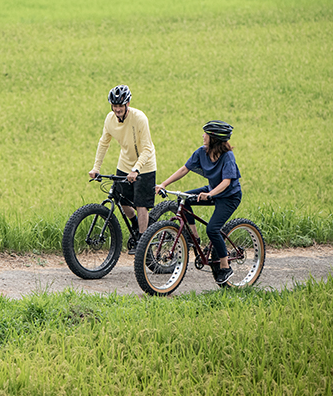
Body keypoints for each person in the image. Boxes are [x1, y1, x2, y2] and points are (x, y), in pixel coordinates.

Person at [155, 120, 241, 285]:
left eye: (206, 134)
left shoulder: (227, 156)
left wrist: (210, 194)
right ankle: (193, 236)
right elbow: (184, 169)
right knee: (184, 199)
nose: (203, 136)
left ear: (214, 138)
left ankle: (225, 266)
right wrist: (164, 184)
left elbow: (226, 182)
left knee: (213, 229)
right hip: (212, 191)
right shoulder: (202, 152)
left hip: (229, 196)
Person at [88, 85, 157, 254]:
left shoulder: (139, 118)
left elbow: (147, 149)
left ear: (128, 104)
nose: (117, 109)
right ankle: (137, 226)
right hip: (125, 164)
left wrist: (137, 169)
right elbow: (104, 143)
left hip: (145, 166)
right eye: (114, 106)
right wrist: (96, 167)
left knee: (141, 205)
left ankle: (143, 242)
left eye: (120, 106)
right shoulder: (110, 119)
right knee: (122, 201)